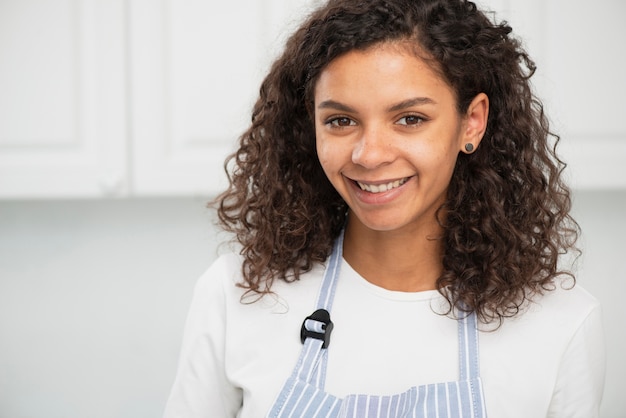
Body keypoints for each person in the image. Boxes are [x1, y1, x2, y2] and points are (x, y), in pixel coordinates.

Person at [163, 0, 605, 416]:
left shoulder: (560, 324)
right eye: (341, 120)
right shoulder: (236, 294)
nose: (369, 155)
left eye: (410, 119)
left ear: (472, 122)